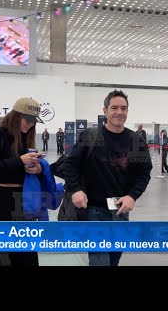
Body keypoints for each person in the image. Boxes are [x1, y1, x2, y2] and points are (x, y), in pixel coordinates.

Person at [62, 90, 153, 266]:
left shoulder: (136, 140)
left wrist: (132, 196)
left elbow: (144, 172)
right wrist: (76, 189)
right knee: (99, 260)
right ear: (105, 111)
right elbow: (70, 164)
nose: (119, 112)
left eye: (124, 108)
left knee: (113, 259)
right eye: (114, 107)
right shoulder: (90, 136)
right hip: (94, 210)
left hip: (120, 209)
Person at [0, 97, 47, 266]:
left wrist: (38, 169)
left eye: (33, 121)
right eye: (27, 119)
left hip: (23, 201)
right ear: (15, 116)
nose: (30, 124)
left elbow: (27, 171)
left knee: (25, 254)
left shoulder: (26, 137)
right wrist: (19, 161)